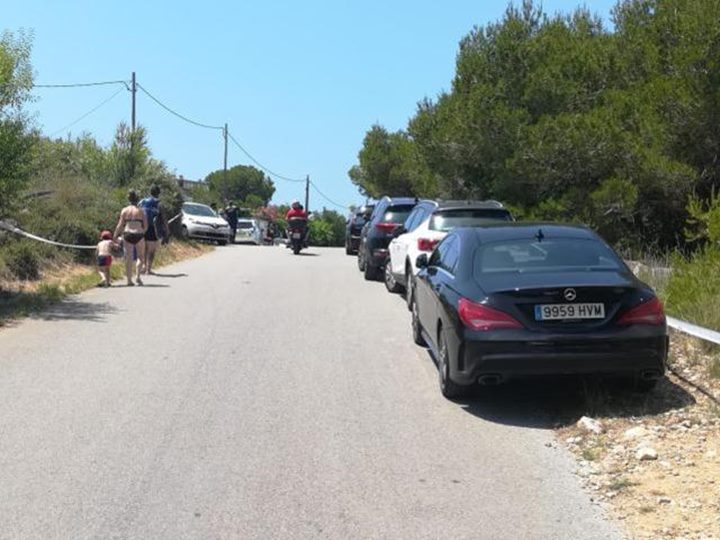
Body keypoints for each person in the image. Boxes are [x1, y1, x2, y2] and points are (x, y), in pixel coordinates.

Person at [114, 189, 148, 286]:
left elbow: (120, 225)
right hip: (139, 234)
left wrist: (115, 235)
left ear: (128, 199)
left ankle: (129, 280)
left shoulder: (124, 210)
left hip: (127, 234)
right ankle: (137, 276)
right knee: (141, 257)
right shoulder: (141, 211)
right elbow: (146, 226)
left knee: (128, 258)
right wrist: (142, 232)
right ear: (137, 199)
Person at [139, 185, 167, 275]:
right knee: (151, 250)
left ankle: (142, 267)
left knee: (144, 249)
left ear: (150, 192)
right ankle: (148, 269)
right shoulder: (159, 204)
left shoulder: (142, 201)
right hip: (153, 228)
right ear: (159, 193)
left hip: (142, 227)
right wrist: (167, 230)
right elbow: (164, 218)